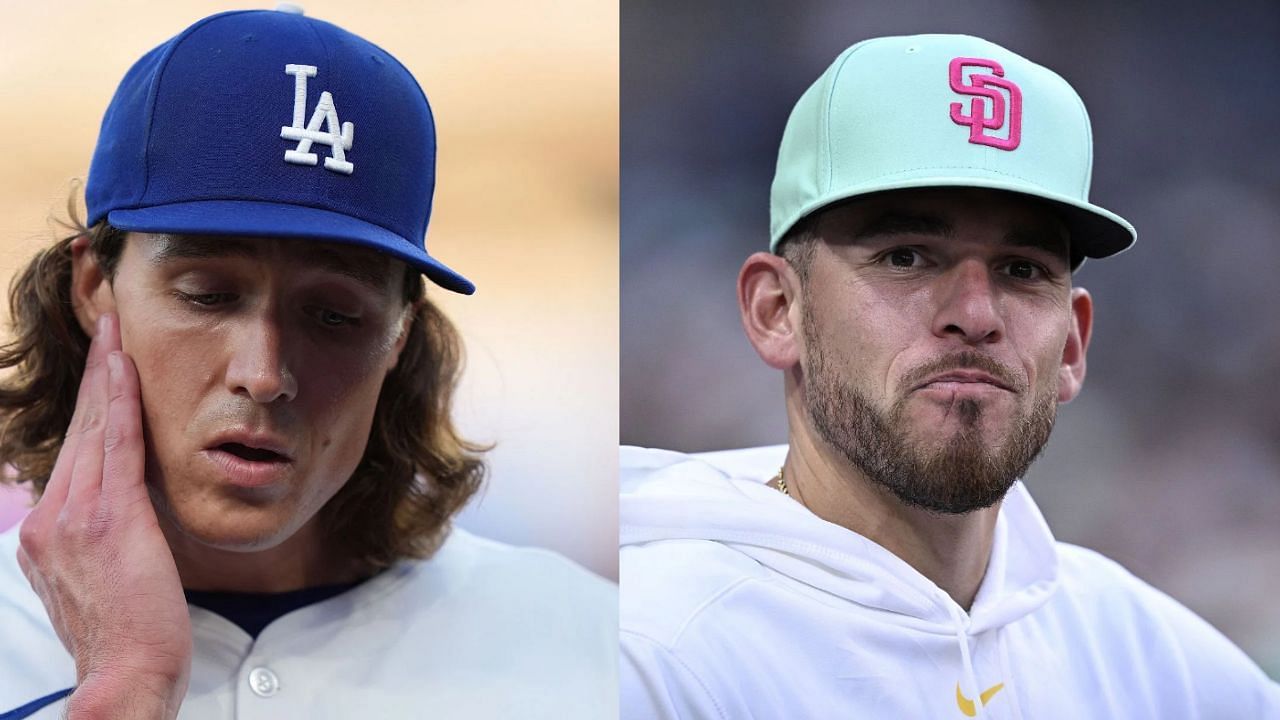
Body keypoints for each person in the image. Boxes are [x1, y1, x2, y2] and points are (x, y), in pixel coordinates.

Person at [619, 34, 1280, 719]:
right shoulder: (654, 654)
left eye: (1021, 268)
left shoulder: (1149, 663)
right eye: (906, 257)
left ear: (1074, 345)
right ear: (777, 310)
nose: (974, 313)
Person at [0, 7, 615, 719]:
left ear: (401, 337)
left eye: (333, 316)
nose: (263, 375)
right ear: (94, 290)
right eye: (208, 295)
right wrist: (125, 689)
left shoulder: (587, 645)